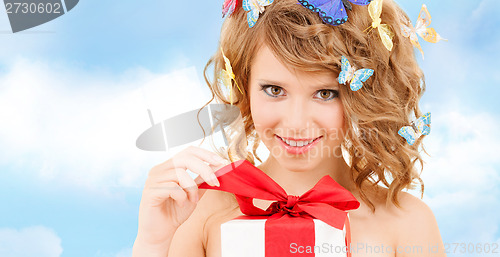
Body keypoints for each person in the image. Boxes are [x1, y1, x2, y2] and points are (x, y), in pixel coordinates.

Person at [132, 0, 446, 256]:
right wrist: (153, 243)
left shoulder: (407, 224)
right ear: (244, 86)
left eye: (325, 93)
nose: (296, 123)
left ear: (364, 96)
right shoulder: (199, 213)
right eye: (274, 90)